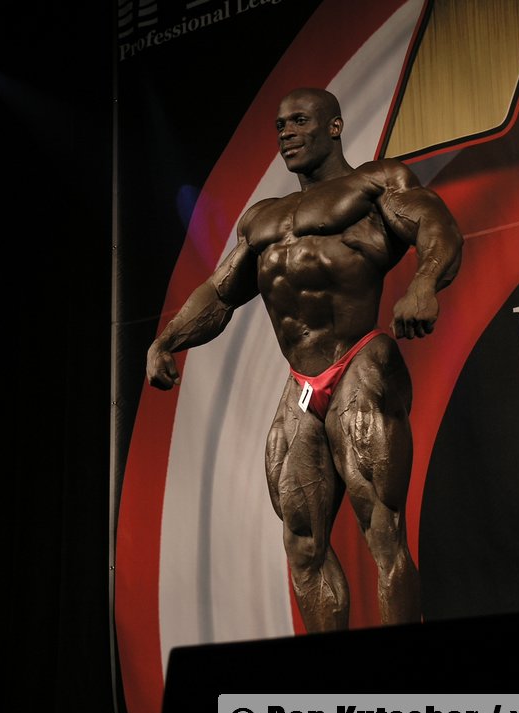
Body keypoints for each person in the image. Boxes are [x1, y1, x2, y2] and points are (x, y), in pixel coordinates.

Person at [146, 87, 463, 632]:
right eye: (280, 125)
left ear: (334, 126)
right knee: (301, 542)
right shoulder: (261, 219)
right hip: (301, 382)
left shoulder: (375, 184)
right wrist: (165, 341)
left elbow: (438, 227)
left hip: (360, 358)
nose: (286, 133)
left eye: (299, 121)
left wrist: (424, 283)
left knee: (382, 529)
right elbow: (220, 293)